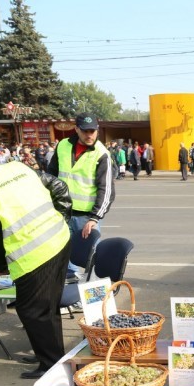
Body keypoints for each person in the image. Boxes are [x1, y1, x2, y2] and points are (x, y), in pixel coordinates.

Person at [0, 144, 72, 379]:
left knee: (32, 310)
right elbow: (57, 186)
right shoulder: (16, 168)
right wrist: (62, 217)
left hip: (34, 254)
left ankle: (51, 366)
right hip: (58, 239)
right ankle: (50, 354)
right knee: (47, 306)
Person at [47, 112, 115, 280]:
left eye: (92, 131)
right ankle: (70, 285)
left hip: (86, 217)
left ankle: (96, 293)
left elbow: (106, 190)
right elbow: (51, 175)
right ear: (76, 129)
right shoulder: (63, 145)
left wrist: (95, 218)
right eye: (85, 131)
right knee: (63, 252)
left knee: (91, 256)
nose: (89, 135)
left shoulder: (101, 154)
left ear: (97, 130)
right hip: (62, 212)